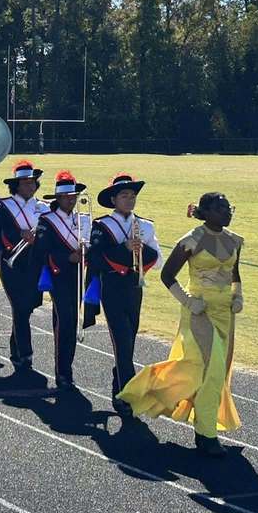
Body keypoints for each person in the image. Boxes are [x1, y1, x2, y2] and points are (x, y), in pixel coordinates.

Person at [117, 192, 243, 456]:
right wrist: (188, 301)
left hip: (225, 314)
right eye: (220, 208)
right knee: (213, 368)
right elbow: (167, 275)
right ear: (206, 212)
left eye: (228, 208)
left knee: (212, 370)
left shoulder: (234, 241)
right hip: (199, 312)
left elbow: (234, 272)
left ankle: (149, 391)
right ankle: (206, 436)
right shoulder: (191, 240)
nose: (227, 212)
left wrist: (237, 294)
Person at [86, 173, 162, 418]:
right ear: (113, 199)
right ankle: (127, 398)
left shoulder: (146, 225)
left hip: (135, 287)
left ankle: (119, 379)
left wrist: (143, 250)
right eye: (124, 196)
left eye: (132, 196)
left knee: (129, 338)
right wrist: (123, 249)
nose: (130, 200)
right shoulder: (102, 225)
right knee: (122, 340)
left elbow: (158, 260)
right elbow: (95, 259)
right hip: (112, 287)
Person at [0, 160, 45, 371]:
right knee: (19, 306)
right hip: (12, 262)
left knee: (26, 308)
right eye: (25, 183)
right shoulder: (3, 205)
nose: (30, 186)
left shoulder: (43, 207)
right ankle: (26, 353)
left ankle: (15, 347)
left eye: (32, 182)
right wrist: (19, 235)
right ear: (16, 185)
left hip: (35, 264)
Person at [31, 170, 89, 390]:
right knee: (64, 320)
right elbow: (41, 253)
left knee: (73, 320)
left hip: (77, 276)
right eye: (66, 197)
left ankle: (67, 367)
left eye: (73, 196)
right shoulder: (47, 221)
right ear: (57, 198)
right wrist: (67, 258)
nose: (71, 200)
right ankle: (63, 371)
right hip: (57, 275)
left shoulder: (83, 218)